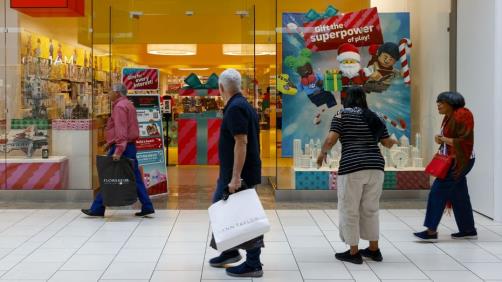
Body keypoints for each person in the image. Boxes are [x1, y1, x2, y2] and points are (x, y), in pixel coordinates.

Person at [316, 86, 398, 264]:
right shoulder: (374, 115)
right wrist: (393, 140)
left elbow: (331, 139)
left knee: (349, 209)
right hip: (376, 166)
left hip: (352, 167)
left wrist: (322, 153)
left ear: (347, 99)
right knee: (371, 209)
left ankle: (353, 252)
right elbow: (387, 143)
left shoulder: (342, 114)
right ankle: (374, 249)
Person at [208, 69, 263, 278]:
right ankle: (230, 250)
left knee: (246, 216)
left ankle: (253, 263)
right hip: (235, 172)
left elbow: (241, 142)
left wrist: (235, 178)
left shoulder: (235, 108)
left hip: (239, 175)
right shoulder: (242, 105)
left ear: (221, 88)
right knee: (223, 211)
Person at [81, 83, 155, 217]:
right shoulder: (128, 104)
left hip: (123, 147)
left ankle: (97, 208)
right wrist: (111, 143)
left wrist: (118, 150)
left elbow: (121, 130)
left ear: (117, 93)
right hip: (128, 146)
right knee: (134, 177)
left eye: (110, 91)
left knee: (109, 176)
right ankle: (147, 205)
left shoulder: (120, 107)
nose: (108, 94)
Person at [414, 91, 476, 241]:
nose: (438, 105)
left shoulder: (462, 114)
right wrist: (442, 139)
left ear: (451, 103)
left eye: (441, 102)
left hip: (460, 161)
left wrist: (444, 139)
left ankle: (431, 230)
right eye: (438, 102)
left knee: (437, 192)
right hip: (457, 159)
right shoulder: (449, 117)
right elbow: (452, 139)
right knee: (458, 195)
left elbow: (465, 140)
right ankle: (468, 229)